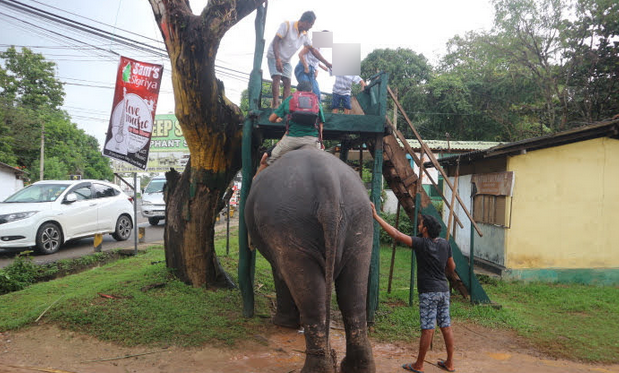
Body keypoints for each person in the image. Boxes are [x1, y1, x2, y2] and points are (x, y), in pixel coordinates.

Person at [371, 203, 457, 373]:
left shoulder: (420, 243)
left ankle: (419, 365)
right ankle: (450, 363)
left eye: (420, 224)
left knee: (427, 328)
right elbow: (452, 267)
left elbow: (395, 234)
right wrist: (441, 271)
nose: (418, 226)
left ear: (425, 229)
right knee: (446, 326)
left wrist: (375, 215)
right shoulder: (445, 244)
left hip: (428, 292)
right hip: (443, 290)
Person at [255, 80, 325, 176]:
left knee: (268, 160)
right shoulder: (316, 101)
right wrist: (321, 142)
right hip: (312, 140)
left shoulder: (290, 99)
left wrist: (278, 120)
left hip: (292, 139)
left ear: (297, 89)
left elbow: (271, 119)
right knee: (323, 163)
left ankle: (255, 182)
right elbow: (320, 125)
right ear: (311, 90)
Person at [266, 11, 332, 108]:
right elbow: (276, 40)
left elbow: (313, 50)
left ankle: (285, 107)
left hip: (287, 60)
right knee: (277, 77)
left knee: (287, 82)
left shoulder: (305, 35)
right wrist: (277, 59)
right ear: (305, 22)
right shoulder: (287, 25)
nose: (311, 27)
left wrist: (327, 63)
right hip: (275, 55)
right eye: (311, 24)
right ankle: (275, 105)